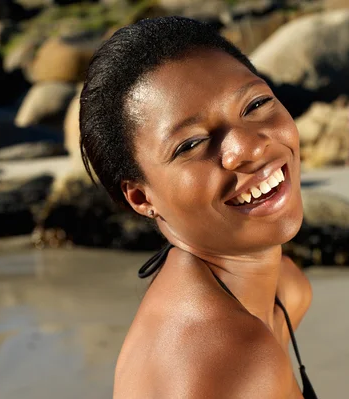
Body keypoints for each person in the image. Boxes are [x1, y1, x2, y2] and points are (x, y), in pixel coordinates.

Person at [79, 17, 317, 398]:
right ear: (142, 198)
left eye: (256, 103)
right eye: (190, 144)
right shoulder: (231, 360)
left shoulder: (282, 292)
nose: (249, 148)